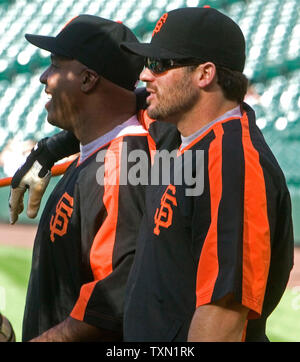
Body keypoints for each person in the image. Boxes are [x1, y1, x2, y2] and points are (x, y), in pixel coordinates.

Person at [119, 7, 294, 341]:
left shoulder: (235, 162)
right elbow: (120, 105)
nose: (144, 75)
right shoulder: (178, 132)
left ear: (204, 74)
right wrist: (52, 148)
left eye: (159, 64)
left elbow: (223, 317)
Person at [16, 14, 153, 342]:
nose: (44, 78)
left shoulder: (126, 164)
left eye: (55, 65)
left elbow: (114, 302)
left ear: (89, 79)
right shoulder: (99, 152)